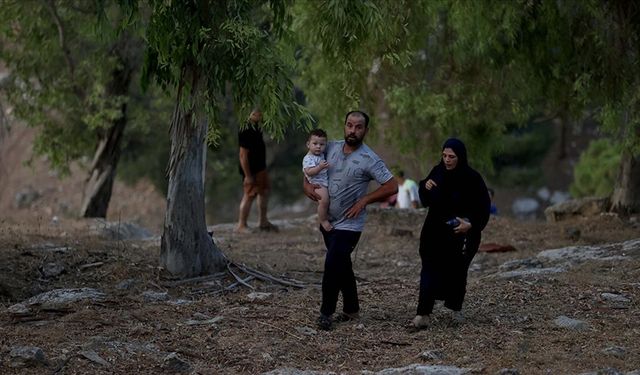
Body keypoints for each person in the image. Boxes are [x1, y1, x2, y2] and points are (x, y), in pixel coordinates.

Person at [303, 110, 397, 331]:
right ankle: (352, 309)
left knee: (333, 263)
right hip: (327, 220)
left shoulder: (370, 158)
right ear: (344, 125)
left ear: (366, 130)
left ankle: (326, 313)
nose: (353, 130)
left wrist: (365, 200)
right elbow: (309, 164)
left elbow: (392, 186)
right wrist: (306, 185)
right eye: (349, 125)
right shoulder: (330, 147)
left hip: (350, 223)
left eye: (358, 127)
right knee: (342, 265)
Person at [413, 138, 490, 329]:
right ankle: (423, 313)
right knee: (429, 269)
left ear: (460, 157)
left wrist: (470, 224)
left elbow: (483, 207)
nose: (447, 160)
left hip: (459, 234)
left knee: (456, 272)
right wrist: (425, 187)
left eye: (452, 157)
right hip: (434, 231)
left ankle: (454, 308)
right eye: (444, 155)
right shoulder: (437, 172)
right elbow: (426, 198)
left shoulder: (472, 178)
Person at [236, 108, 278, 233]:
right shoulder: (245, 128)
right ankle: (241, 225)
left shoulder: (257, 126)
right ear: (250, 113)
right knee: (249, 195)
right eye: (257, 113)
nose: (260, 115)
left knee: (264, 192)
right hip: (251, 170)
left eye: (261, 112)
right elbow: (243, 155)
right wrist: (248, 175)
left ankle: (263, 221)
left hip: (261, 167)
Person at [302, 128, 333, 232]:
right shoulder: (308, 158)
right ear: (308, 144)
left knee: (328, 201)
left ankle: (326, 215)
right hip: (317, 184)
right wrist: (319, 167)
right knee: (324, 201)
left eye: (322, 144)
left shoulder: (321, 155)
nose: (318, 146)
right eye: (315, 143)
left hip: (324, 182)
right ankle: (323, 220)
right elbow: (308, 172)